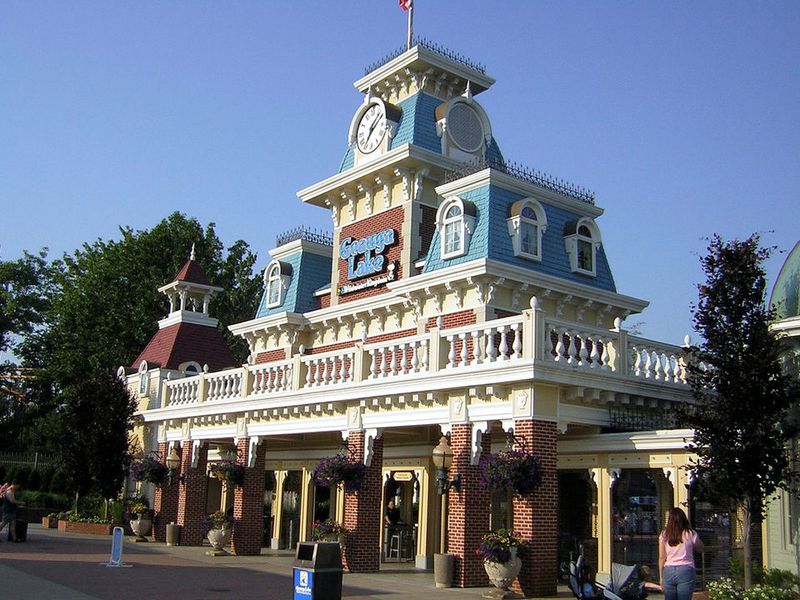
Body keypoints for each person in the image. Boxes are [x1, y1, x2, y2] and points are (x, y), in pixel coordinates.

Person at [658, 506, 703, 600]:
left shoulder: (664, 534)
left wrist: (661, 577)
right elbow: (700, 548)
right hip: (686, 569)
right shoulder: (690, 533)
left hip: (668, 569)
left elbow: (662, 557)